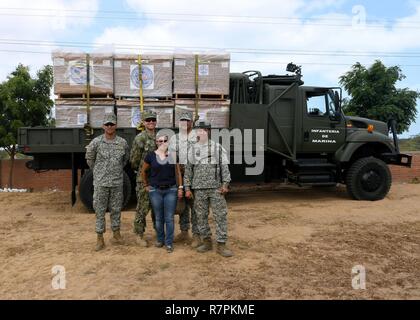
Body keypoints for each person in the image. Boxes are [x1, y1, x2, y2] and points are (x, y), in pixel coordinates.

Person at [184, 120, 234, 257]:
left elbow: (224, 167)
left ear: (208, 131)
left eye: (204, 130)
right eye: (199, 130)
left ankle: (221, 245)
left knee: (220, 216)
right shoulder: (192, 149)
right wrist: (187, 188)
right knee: (201, 217)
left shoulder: (217, 148)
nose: (201, 132)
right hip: (199, 188)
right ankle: (206, 242)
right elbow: (188, 170)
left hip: (216, 188)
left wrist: (225, 184)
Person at [85, 113, 130, 251]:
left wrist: (115, 171)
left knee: (116, 209)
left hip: (117, 182)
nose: (110, 126)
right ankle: (100, 238)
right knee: (99, 210)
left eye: (112, 124)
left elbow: (125, 160)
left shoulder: (122, 143)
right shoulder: (96, 142)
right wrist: (99, 172)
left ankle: (116, 234)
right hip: (101, 183)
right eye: (107, 124)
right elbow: (90, 159)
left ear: (116, 125)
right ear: (103, 126)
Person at [141, 133, 183, 253]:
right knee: (158, 218)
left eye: (165, 141)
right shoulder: (150, 156)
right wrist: (146, 185)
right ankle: (160, 239)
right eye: (160, 141)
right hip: (155, 191)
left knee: (169, 218)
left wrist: (180, 187)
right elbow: (143, 172)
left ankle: (169, 243)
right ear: (156, 142)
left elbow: (178, 172)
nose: (162, 143)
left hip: (171, 190)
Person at [168, 112, 200, 248]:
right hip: (180, 175)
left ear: (191, 122)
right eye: (182, 121)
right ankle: (184, 231)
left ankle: (197, 235)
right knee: (182, 206)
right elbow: (171, 157)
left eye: (187, 121)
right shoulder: (174, 138)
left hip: (195, 175)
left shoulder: (197, 136)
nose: (184, 123)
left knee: (195, 205)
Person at [130, 110, 158, 247]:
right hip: (144, 180)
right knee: (143, 207)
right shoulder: (140, 138)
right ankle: (138, 234)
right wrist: (142, 173)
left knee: (157, 208)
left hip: (159, 180)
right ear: (144, 123)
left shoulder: (160, 137)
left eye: (153, 119)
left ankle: (159, 234)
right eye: (148, 120)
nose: (151, 122)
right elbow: (134, 160)